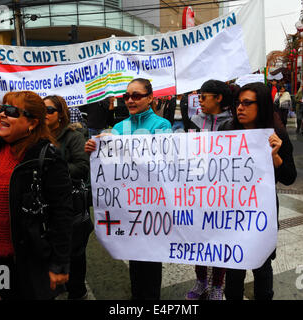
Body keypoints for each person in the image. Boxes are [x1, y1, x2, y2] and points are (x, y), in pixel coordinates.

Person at [0, 57, 74, 300]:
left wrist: (59, 264)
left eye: (11, 112)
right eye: (1, 109)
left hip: (31, 260)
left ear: (32, 123)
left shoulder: (47, 158)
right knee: (6, 294)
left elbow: (62, 215)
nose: (2, 116)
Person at [85, 78, 171, 300]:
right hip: (126, 206)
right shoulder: (117, 127)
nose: (130, 100)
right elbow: (112, 165)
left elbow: (160, 161)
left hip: (152, 205)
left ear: (150, 97)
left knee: (151, 261)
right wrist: (94, 150)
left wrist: (118, 145)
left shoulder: (162, 126)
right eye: (126, 96)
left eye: (136, 95)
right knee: (134, 258)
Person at [219, 82, 297, 300]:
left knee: (262, 267)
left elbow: (290, 178)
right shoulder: (226, 131)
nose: (240, 108)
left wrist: (275, 157)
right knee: (234, 267)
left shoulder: (276, 135)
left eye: (247, 103)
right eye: (238, 103)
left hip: (262, 212)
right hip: (231, 212)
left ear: (261, 105)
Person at [185, 80, 233, 300]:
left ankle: (217, 285)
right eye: (198, 97)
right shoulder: (194, 121)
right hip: (196, 190)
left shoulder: (233, 123)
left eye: (203, 96)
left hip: (222, 192)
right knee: (198, 237)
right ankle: (201, 281)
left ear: (218, 98)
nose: (199, 101)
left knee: (220, 238)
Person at [43, 95, 91, 300]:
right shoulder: (38, 135)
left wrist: (54, 170)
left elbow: (82, 167)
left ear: (61, 114)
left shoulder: (73, 136)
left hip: (72, 207)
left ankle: (78, 291)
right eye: (41, 110)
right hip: (48, 206)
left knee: (75, 254)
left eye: (49, 110)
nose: (45, 114)